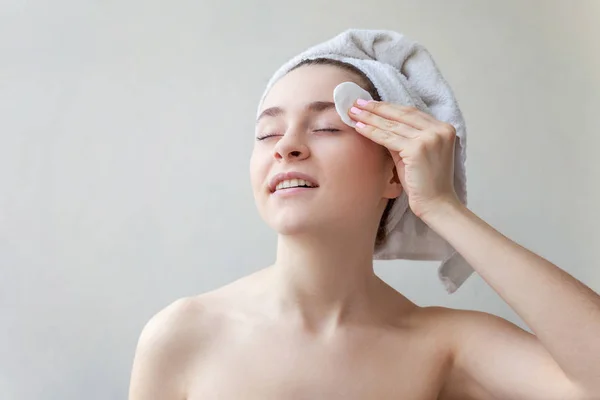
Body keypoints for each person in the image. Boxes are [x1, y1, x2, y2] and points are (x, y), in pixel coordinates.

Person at [128, 56, 600, 400]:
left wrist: (441, 205)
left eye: (328, 127)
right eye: (267, 133)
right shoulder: (183, 334)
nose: (286, 147)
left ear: (395, 171)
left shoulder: (442, 347)